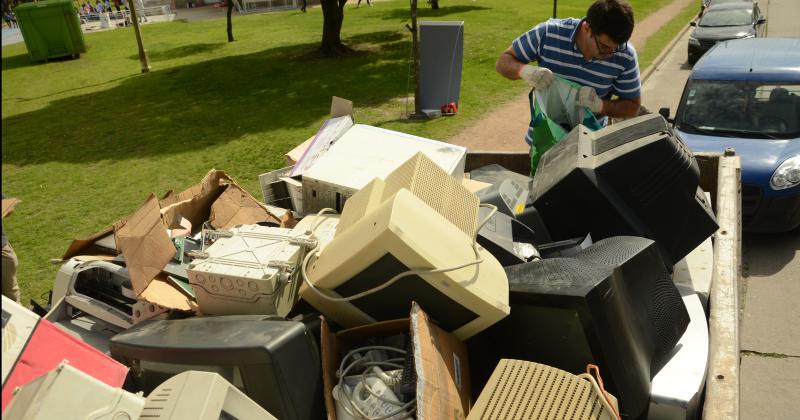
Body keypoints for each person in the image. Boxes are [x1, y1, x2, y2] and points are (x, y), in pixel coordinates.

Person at [496, 0, 641, 147]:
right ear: (587, 28)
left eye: (617, 47)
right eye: (604, 46)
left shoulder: (625, 54)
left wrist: (601, 105)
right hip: (544, 141)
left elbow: (632, 106)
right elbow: (503, 62)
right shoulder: (548, 33)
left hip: (591, 147)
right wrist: (524, 71)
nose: (610, 53)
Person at [1, 194, 20, 304]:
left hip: (2, 249)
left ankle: (18, 319)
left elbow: (10, 208)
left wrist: (6, 210)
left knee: (10, 290)